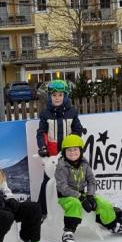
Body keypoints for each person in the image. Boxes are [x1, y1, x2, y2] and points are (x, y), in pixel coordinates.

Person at [54, 134, 122, 242]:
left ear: (80, 151)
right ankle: (69, 231)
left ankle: (112, 225)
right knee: (74, 204)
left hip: (82, 194)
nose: (72, 152)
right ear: (64, 152)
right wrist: (80, 197)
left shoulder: (84, 164)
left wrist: (90, 195)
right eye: (69, 150)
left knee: (103, 202)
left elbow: (91, 180)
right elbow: (62, 187)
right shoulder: (61, 167)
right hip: (66, 196)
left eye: (75, 149)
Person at [35, 79, 85, 218]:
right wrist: (42, 147)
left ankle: (78, 206)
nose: (57, 98)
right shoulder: (45, 113)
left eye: (60, 95)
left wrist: (72, 146)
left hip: (68, 154)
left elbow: (78, 130)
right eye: (54, 95)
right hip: (52, 154)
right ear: (50, 96)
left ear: (65, 96)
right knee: (47, 181)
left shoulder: (72, 112)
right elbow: (41, 133)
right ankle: (42, 211)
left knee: (73, 179)